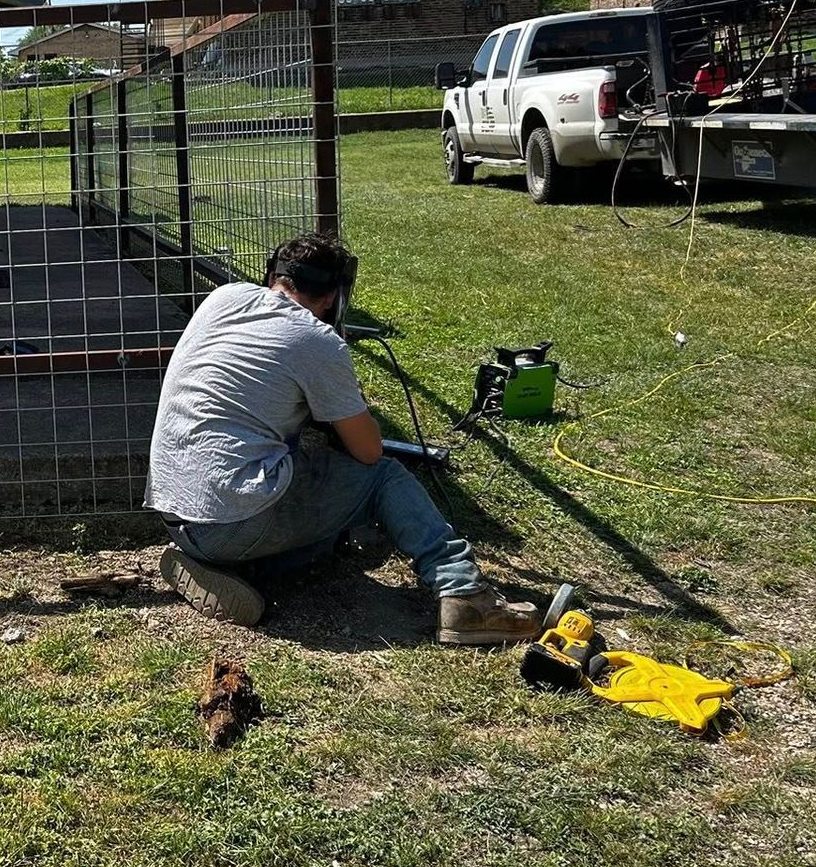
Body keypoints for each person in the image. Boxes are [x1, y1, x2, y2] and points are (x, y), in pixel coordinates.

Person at [146, 230, 541, 644]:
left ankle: (226, 568)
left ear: (273, 277)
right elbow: (368, 452)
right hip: (232, 519)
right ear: (334, 297)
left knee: (325, 540)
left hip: (177, 512)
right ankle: (465, 596)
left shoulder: (224, 297)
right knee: (385, 478)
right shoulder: (317, 341)